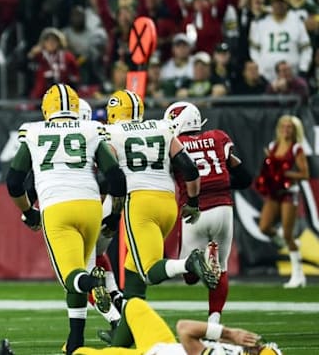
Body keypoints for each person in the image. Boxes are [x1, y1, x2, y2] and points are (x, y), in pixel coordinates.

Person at [5, 83, 126, 355]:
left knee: (71, 277)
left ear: (46, 108)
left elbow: (14, 182)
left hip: (57, 207)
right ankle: (75, 341)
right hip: (91, 206)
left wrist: (28, 211)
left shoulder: (34, 131)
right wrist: (115, 215)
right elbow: (116, 177)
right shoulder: (91, 128)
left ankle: (97, 285)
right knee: (80, 269)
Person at [103, 90, 215, 312]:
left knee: (149, 270)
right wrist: (193, 202)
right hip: (167, 203)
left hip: (138, 203)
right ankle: (122, 336)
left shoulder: (110, 132)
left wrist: (114, 215)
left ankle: (188, 263)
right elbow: (190, 169)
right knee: (134, 276)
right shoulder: (162, 127)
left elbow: (112, 178)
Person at [164, 102, 253, 324]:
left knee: (190, 275)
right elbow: (244, 178)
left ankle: (203, 260)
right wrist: (219, 182)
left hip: (195, 210)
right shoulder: (218, 137)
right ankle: (214, 321)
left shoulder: (175, 143)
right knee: (221, 269)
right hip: (223, 209)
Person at [69, 298, 282, 355]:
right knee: (134, 306)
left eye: (259, 349)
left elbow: (185, 329)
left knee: (82, 353)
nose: (257, 345)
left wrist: (229, 333)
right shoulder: (238, 352)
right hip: (164, 345)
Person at [256, 115, 310, 288]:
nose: (286, 130)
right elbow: (269, 168)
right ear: (279, 128)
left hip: (289, 192)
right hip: (274, 192)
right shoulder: (272, 146)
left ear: (295, 130)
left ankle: (298, 275)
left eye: (290, 127)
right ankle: (286, 240)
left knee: (288, 234)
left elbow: (304, 174)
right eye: (284, 126)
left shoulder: (296, 149)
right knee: (264, 227)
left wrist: (284, 174)